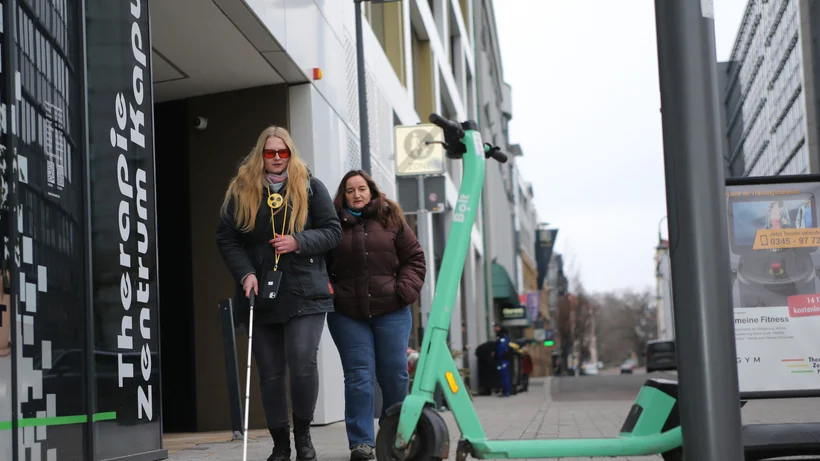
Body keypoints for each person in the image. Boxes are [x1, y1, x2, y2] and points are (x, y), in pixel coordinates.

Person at [216, 126, 341, 461]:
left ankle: (303, 437)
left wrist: (299, 240)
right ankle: (280, 445)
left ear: (290, 153)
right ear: (261, 154)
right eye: (269, 152)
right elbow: (226, 238)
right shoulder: (242, 189)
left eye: (282, 152)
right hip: (261, 291)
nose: (275, 158)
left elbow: (332, 231)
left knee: (302, 363)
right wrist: (245, 272)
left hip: (305, 289)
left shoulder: (311, 187)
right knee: (270, 371)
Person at [326, 170, 427, 461]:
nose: (356, 194)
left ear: (371, 191)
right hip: (347, 313)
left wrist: (402, 291)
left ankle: (395, 435)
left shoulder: (391, 219)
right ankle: (361, 443)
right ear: (342, 195)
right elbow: (318, 263)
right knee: (358, 376)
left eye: (361, 188)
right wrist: (328, 288)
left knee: (394, 374)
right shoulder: (332, 224)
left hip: (391, 310)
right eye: (350, 190)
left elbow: (415, 259)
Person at [493, 324, 512, 397]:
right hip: (500, 359)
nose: (495, 329)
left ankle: (506, 392)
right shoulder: (499, 336)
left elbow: (503, 348)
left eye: (496, 327)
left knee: (504, 375)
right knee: (502, 375)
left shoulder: (503, 336)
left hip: (504, 359)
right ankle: (504, 391)